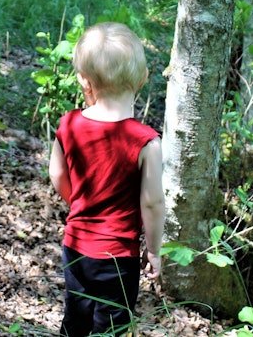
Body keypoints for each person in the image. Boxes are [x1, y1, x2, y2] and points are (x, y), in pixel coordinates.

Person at [48, 22, 165, 337]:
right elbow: (152, 203)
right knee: (111, 328)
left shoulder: (68, 125)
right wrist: (153, 250)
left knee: (76, 319)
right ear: (142, 79)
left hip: (74, 245)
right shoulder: (146, 142)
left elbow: (57, 174)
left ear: (84, 81)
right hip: (117, 256)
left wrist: (81, 203)